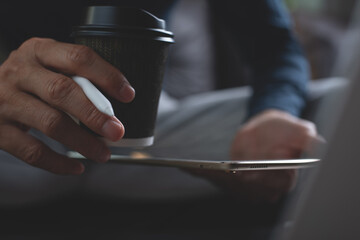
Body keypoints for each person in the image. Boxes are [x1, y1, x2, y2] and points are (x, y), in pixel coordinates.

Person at [0, 0, 321, 207]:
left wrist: (274, 111)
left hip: (147, 123)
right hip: (17, 115)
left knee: (330, 109)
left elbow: (276, 45)